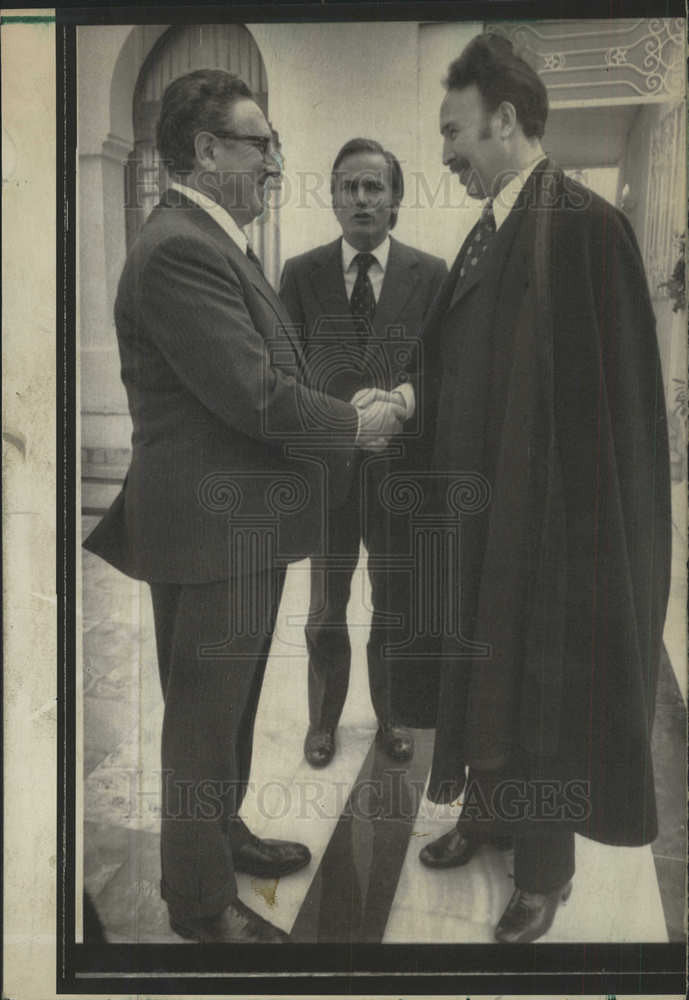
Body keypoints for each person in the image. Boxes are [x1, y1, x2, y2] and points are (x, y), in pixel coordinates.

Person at [83, 70, 404, 944]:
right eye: (259, 143)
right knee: (200, 722)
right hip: (209, 532)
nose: (274, 160)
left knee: (226, 704)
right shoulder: (181, 248)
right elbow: (257, 396)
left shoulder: (208, 239)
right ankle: (195, 905)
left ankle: (221, 838)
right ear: (206, 150)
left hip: (236, 529)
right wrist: (355, 423)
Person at [418, 34, 671, 943]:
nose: (445, 152)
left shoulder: (583, 226)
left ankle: (543, 871)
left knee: (542, 682)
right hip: (487, 510)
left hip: (551, 524)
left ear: (506, 120)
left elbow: (616, 407)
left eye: (455, 132)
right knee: (486, 671)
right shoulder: (493, 230)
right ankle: (487, 813)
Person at [280, 138, 447, 768]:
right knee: (326, 608)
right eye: (349, 186)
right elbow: (284, 372)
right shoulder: (300, 273)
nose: (361, 199)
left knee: (394, 605)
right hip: (329, 475)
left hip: (401, 477)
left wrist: (403, 400)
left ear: (397, 198)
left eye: (374, 186)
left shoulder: (429, 276)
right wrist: (340, 424)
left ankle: (392, 716)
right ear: (331, 197)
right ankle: (322, 721)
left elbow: (445, 372)